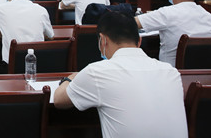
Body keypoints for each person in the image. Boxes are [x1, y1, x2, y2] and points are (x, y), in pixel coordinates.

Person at [54, 12, 187, 138]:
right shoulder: (171, 72)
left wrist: (69, 79)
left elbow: (59, 100)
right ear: (139, 41)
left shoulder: (97, 72)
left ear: (103, 40)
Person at [136, 0, 211, 66]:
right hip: (206, 73)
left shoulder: (166, 13)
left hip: (171, 71)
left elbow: (131, 23)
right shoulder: (209, 16)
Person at [0, 0, 54, 70]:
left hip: (11, 66)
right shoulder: (41, 10)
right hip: (37, 66)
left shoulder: (0, 9)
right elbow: (51, 36)